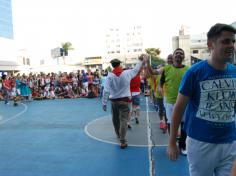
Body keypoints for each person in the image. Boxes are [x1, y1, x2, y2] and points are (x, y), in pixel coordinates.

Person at [167, 23, 236, 176]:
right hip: (201, 143)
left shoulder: (235, 72)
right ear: (210, 44)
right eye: (226, 41)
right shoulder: (194, 73)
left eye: (233, 41)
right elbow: (178, 108)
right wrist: (172, 142)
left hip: (230, 141)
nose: (231, 45)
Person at [102, 56, 145, 149]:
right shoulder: (127, 73)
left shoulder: (109, 76)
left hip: (114, 101)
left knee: (115, 120)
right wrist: (140, 60)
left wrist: (104, 103)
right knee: (124, 120)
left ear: (112, 65)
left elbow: (105, 90)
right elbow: (137, 69)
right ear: (120, 64)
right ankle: (122, 140)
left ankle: (118, 135)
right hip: (125, 101)